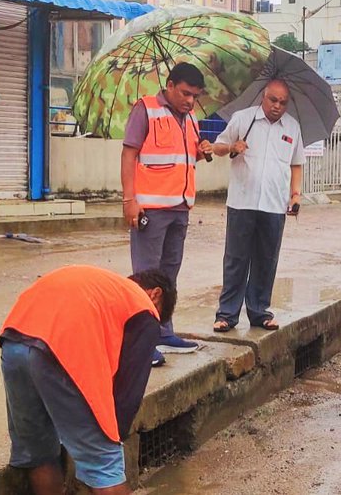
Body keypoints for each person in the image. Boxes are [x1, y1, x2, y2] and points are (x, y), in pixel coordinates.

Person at [0, 265, 177, 495]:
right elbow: (128, 393)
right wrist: (110, 442)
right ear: (156, 294)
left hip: (14, 340)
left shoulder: (103, 287)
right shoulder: (144, 307)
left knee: (40, 455)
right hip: (58, 351)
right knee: (105, 467)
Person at [121, 62, 212, 366]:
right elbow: (129, 154)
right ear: (170, 85)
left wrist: (203, 149)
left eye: (195, 96)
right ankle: (140, 344)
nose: (189, 101)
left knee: (169, 277)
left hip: (180, 208)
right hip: (151, 208)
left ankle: (163, 331)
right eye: (185, 93)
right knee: (147, 279)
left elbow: (186, 154)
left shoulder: (191, 118)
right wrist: (129, 200)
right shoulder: (145, 110)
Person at [209, 80, 304, 332]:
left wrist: (295, 195)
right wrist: (232, 146)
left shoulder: (292, 127)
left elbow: (296, 164)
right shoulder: (243, 119)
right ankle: (227, 314)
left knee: (266, 259)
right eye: (273, 100)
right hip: (242, 201)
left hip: (274, 204)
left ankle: (259, 311)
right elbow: (216, 147)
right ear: (264, 96)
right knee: (235, 259)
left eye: (283, 102)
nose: (277, 106)